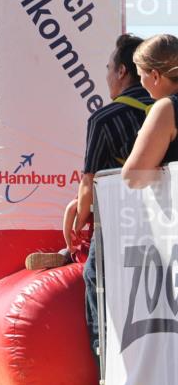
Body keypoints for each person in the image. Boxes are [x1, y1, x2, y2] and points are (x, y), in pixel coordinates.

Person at [27, 34, 151, 273]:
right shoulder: (168, 110)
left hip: (119, 226)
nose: (107, 76)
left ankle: (71, 252)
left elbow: (88, 184)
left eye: (109, 68)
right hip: (165, 224)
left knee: (94, 278)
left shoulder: (103, 119)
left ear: (122, 71)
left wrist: (76, 227)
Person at [122, 34, 178, 188]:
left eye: (140, 75)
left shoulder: (166, 108)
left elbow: (133, 178)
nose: (141, 83)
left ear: (155, 76)